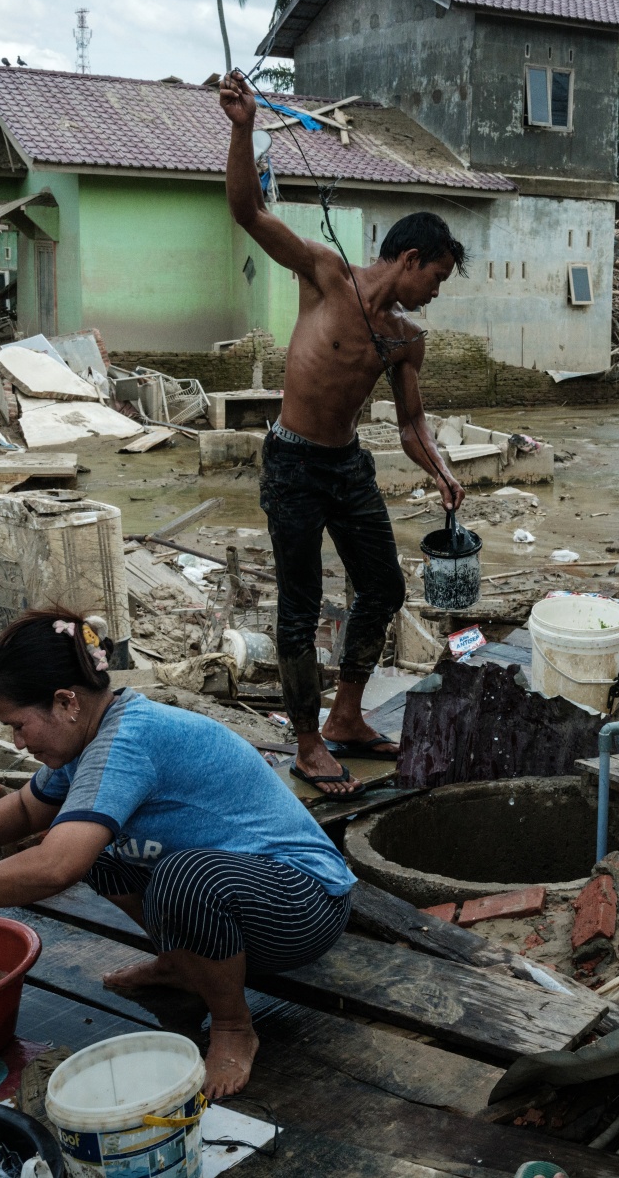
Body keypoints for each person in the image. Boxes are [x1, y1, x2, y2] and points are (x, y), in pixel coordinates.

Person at [0, 609, 356, 1099]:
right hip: (241, 894)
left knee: (181, 875)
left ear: (65, 702)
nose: (17, 742)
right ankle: (182, 964)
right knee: (101, 850)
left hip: (303, 904)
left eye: (19, 726)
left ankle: (232, 1024)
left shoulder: (127, 741)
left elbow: (55, 868)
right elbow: (24, 809)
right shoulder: (94, 734)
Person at [217, 68, 465, 801]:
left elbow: (413, 423)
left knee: (383, 584)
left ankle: (348, 715)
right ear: (411, 260)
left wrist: (442, 469)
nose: (436, 294)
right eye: (438, 278)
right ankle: (306, 741)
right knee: (298, 606)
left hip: (347, 465)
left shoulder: (405, 340)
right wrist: (242, 126)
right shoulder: (325, 276)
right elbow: (247, 209)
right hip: (293, 461)